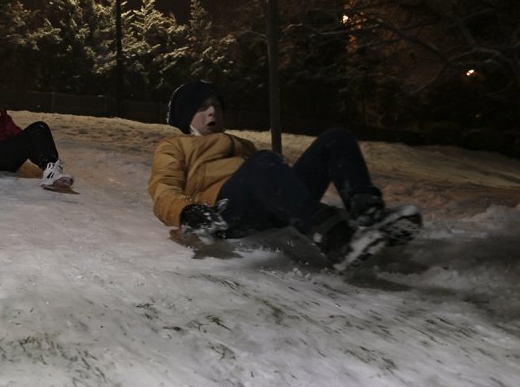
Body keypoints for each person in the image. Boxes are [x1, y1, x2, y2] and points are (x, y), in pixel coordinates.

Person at [148, 79, 422, 270]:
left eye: (217, 106)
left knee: (335, 139)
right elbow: (163, 188)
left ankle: (367, 216)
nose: (212, 112)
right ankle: (337, 241)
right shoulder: (174, 145)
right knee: (264, 162)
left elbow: (276, 179)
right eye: (202, 106)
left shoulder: (243, 145)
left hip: (264, 201)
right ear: (186, 115)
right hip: (226, 211)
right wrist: (187, 212)